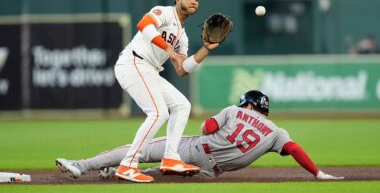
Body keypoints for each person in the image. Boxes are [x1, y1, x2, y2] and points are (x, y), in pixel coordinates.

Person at [60, 0, 220, 183]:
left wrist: (205, 49)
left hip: (149, 70)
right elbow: (143, 25)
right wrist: (170, 51)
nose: (194, 1)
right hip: (133, 63)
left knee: (182, 105)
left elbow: (181, 69)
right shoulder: (163, 12)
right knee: (158, 112)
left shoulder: (183, 36)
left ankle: (170, 157)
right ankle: (128, 165)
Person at [56, 90, 344, 181]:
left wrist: (215, 125)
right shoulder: (276, 132)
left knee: (139, 148)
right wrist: (317, 173)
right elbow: (294, 149)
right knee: (157, 176)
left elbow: (207, 127)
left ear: (248, 104)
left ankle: (83, 165)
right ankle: (116, 170)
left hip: (196, 148)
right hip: (210, 171)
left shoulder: (234, 109)